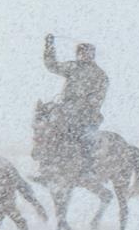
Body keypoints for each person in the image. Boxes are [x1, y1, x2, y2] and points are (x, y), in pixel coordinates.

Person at [42, 34, 108, 162]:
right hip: (67, 111)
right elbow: (52, 66)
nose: (83, 55)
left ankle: (88, 169)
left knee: (86, 139)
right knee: (50, 132)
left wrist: (82, 106)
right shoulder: (73, 67)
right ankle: (46, 165)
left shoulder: (100, 75)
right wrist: (49, 46)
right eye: (81, 53)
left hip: (88, 116)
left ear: (92, 55)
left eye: (86, 53)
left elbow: (98, 98)